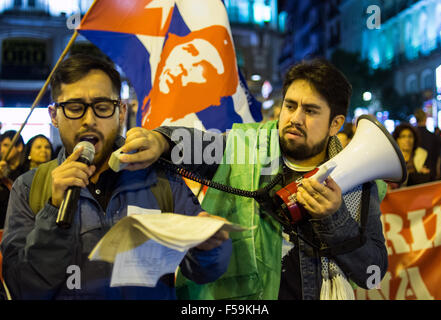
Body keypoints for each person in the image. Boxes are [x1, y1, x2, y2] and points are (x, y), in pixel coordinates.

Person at [136, 59, 388, 300]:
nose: (295, 119)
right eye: (290, 106)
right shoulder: (246, 146)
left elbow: (372, 273)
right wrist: (160, 140)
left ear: (335, 124)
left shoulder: (357, 181)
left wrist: (334, 218)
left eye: (310, 111)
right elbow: (193, 145)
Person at [0, 54, 231, 300]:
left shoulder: (161, 178)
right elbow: (22, 287)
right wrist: (53, 212)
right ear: (54, 116)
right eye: (75, 108)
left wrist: (210, 248)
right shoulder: (29, 187)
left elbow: (204, 272)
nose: (89, 121)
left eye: (102, 108)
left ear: (120, 112)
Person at [391, 123, 431, 187]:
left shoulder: (422, 155)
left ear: (414, 139)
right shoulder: (391, 159)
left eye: (410, 136)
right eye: (403, 136)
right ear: (397, 140)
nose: (407, 140)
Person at [0, 130, 26, 229]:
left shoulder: (26, 171)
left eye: (6, 145)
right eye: (1, 145)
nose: (2, 149)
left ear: (19, 147)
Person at [414, 109, 440, 181]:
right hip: (431, 173)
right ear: (425, 119)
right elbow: (437, 157)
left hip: (415, 173)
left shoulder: (413, 136)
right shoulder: (433, 137)